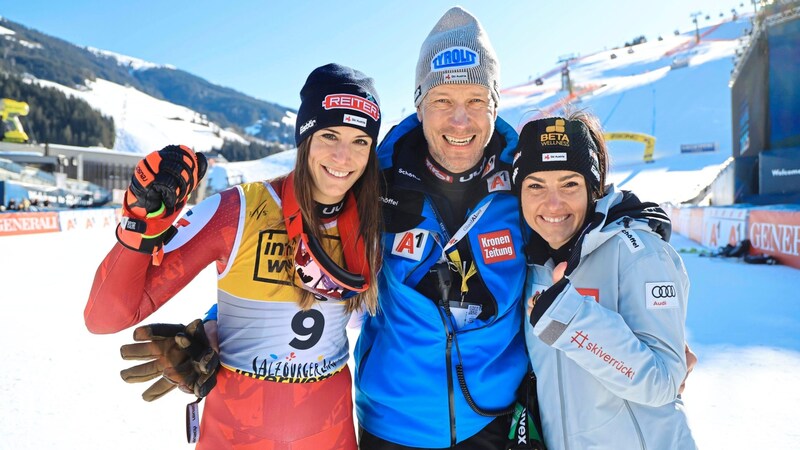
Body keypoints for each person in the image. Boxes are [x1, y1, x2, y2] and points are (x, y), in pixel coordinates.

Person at [84, 63, 384, 450]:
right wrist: (142, 223)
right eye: (329, 135)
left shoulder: (373, 225)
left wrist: (218, 323)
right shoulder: (237, 210)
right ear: (304, 138)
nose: (344, 157)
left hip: (330, 431)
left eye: (360, 141)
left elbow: (366, 317)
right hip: (234, 433)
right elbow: (105, 317)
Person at [354, 7, 531, 449]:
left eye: (475, 101)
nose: (459, 121)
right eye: (442, 102)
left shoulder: (525, 181)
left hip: (495, 422)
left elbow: (588, 226)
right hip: (393, 426)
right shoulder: (374, 179)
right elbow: (294, 248)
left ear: (495, 105)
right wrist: (218, 326)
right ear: (419, 105)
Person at [511, 113, 698, 449]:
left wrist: (570, 321)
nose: (552, 204)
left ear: (592, 188)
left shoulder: (640, 253)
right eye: (535, 185)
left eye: (569, 184)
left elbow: (664, 381)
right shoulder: (533, 264)